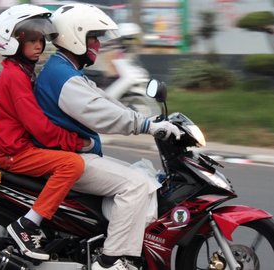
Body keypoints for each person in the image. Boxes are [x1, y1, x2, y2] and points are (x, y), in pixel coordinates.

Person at [35, 3, 182, 270]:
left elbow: (105, 101)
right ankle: (111, 260)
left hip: (74, 155)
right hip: (71, 160)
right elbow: (101, 114)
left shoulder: (65, 70)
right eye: (94, 37)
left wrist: (150, 120)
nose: (98, 45)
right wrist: (145, 126)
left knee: (145, 176)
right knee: (137, 184)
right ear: (75, 35)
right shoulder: (62, 76)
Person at [0, 4, 92, 260]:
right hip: (14, 152)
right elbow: (40, 129)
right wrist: (76, 143)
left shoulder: (21, 71)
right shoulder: (15, 77)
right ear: (12, 42)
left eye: (41, 40)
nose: (39, 45)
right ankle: (27, 225)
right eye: (32, 40)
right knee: (71, 165)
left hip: (15, 146)